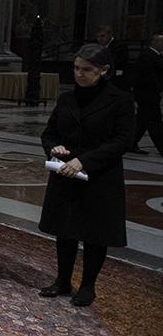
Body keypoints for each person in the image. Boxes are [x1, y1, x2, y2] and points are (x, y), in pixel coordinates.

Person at [38, 44, 135, 306]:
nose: (79, 74)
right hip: (66, 172)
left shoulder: (120, 100)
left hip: (99, 174)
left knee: (94, 233)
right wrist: (53, 148)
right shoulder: (67, 98)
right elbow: (49, 133)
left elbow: (122, 140)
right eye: (76, 68)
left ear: (103, 70)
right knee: (65, 229)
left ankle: (88, 285)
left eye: (87, 70)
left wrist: (85, 161)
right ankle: (62, 280)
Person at [129, 33, 163, 155]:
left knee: (142, 122)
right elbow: (149, 77)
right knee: (155, 122)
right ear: (156, 43)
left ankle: (132, 143)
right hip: (147, 95)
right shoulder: (148, 56)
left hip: (149, 95)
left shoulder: (155, 56)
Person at [97, 24, 129, 91]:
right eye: (98, 36)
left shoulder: (120, 46)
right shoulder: (97, 45)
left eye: (102, 36)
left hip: (116, 80)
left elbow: (114, 62)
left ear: (110, 34)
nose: (99, 39)